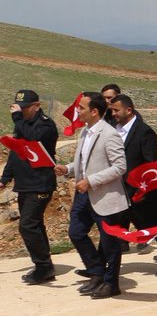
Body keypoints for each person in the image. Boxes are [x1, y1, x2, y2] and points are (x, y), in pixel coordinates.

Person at [55, 92, 129, 299]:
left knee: (109, 242)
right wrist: (68, 169)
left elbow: (120, 167)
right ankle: (97, 272)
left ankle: (111, 283)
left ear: (94, 111)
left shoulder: (109, 134)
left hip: (104, 196)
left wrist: (92, 181)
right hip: (84, 195)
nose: (78, 111)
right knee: (76, 232)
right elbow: (85, 163)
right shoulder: (85, 132)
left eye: (81, 108)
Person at [110, 94, 157, 276]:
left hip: (141, 193)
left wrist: (143, 190)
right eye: (112, 110)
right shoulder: (113, 131)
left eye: (116, 110)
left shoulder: (144, 132)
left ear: (128, 110)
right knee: (112, 228)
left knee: (153, 227)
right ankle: (102, 265)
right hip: (119, 191)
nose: (113, 114)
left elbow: (150, 165)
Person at [1, 90, 59, 284]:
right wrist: (5, 178)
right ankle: (45, 264)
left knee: (27, 225)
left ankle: (43, 267)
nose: (22, 111)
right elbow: (15, 152)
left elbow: (33, 138)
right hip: (25, 184)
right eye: (20, 108)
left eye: (26, 108)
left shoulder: (46, 125)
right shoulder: (23, 125)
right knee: (35, 224)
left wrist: (17, 118)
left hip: (40, 183)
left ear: (37, 106)